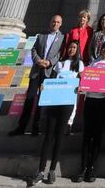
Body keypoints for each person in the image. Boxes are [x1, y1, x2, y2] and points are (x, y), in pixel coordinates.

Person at [28, 40, 84, 186]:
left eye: (74, 48)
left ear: (77, 50)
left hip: (68, 103)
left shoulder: (79, 64)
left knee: (59, 137)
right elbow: (51, 79)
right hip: (55, 102)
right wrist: (44, 86)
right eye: (70, 47)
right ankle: (40, 171)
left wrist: (80, 88)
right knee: (48, 137)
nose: (72, 49)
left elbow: (83, 82)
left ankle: (52, 170)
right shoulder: (59, 63)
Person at [8, 15, 65, 137]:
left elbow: (60, 54)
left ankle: (36, 127)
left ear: (61, 24)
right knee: (30, 98)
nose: (55, 24)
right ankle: (21, 126)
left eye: (58, 22)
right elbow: (34, 49)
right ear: (50, 22)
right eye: (53, 21)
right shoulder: (41, 35)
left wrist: (50, 63)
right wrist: (38, 60)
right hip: (36, 70)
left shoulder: (62, 38)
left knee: (42, 101)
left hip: (48, 72)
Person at [75, 39, 105, 183]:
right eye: (104, 47)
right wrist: (81, 83)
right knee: (87, 135)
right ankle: (82, 168)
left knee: (97, 136)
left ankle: (91, 168)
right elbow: (86, 79)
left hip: (102, 101)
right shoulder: (93, 63)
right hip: (90, 100)